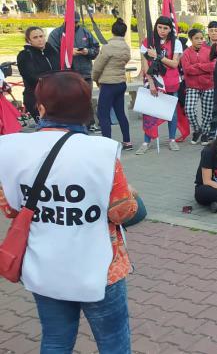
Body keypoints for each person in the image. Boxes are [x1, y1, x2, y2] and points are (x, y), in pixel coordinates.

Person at [0, 71, 138, 353]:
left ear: (41, 107)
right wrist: (131, 194)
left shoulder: (10, 149)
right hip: (99, 268)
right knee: (113, 342)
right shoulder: (102, 151)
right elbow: (123, 212)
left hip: (44, 265)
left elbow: (10, 208)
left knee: (55, 340)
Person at [136, 16, 183, 155]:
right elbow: (145, 65)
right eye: (160, 27)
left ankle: (172, 139)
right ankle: (146, 142)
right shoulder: (147, 42)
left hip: (170, 82)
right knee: (149, 112)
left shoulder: (176, 43)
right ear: (156, 27)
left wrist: (158, 56)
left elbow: (174, 64)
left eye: (166, 28)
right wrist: (150, 83)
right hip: (153, 82)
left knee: (172, 113)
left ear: (170, 29)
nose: (162, 30)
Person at [48, 13, 101, 131]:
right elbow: (51, 53)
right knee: (70, 100)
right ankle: (72, 124)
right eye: (73, 22)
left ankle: (90, 123)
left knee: (86, 98)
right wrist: (67, 53)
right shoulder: (56, 34)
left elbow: (96, 48)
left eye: (77, 22)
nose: (75, 24)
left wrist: (88, 51)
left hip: (85, 72)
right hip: (66, 74)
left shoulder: (85, 32)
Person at [91, 18, 132, 150]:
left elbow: (98, 66)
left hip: (108, 84)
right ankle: (127, 141)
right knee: (121, 113)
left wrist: (95, 78)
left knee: (103, 114)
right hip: (121, 83)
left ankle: (107, 143)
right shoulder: (126, 47)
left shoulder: (108, 47)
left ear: (112, 31)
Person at [181, 28, 216, 146]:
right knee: (189, 109)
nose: (200, 40)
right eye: (197, 38)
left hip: (208, 85)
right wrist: (204, 68)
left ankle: (205, 133)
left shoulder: (209, 50)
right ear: (191, 39)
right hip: (192, 86)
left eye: (201, 38)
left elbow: (213, 66)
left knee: (207, 112)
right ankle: (197, 129)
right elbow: (187, 70)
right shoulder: (186, 53)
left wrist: (198, 66)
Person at [16, 26, 58, 122]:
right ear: (28, 40)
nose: (40, 40)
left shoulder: (52, 51)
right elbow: (30, 76)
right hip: (36, 98)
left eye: (41, 36)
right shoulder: (25, 55)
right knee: (46, 127)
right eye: (35, 37)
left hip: (55, 95)